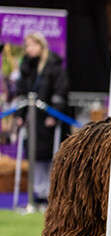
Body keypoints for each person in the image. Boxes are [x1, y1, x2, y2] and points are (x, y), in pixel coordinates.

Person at [13, 32, 70, 203]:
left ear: (40, 45)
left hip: (49, 118)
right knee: (34, 155)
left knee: (50, 155)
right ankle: (38, 192)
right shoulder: (27, 67)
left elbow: (60, 91)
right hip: (33, 118)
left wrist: (54, 113)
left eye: (32, 45)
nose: (29, 49)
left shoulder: (54, 67)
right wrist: (19, 115)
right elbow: (22, 93)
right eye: (27, 46)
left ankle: (51, 191)